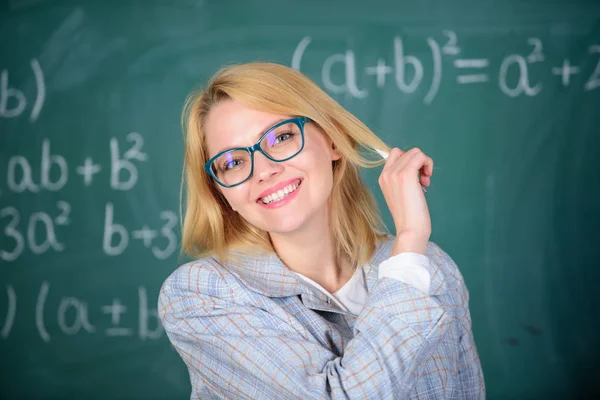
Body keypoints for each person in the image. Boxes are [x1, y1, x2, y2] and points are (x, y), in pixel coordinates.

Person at [158, 62, 485, 399]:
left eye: (281, 137)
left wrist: (412, 251)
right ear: (221, 192)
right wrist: (411, 237)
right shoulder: (201, 296)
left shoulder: (430, 267)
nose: (264, 170)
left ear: (333, 140)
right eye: (233, 162)